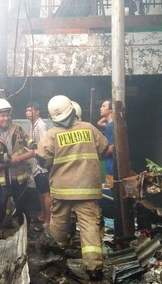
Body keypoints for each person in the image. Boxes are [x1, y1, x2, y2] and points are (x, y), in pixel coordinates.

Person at [36, 95, 110, 281]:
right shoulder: (89, 128)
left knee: (59, 227)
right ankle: (94, 269)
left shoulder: (52, 133)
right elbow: (105, 150)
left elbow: (42, 158)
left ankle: (52, 260)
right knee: (89, 228)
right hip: (87, 190)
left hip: (62, 191)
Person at [0, 98, 36, 243]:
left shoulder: (16, 128)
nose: (5, 118)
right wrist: (2, 157)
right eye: (2, 115)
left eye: (7, 115)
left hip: (19, 177)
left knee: (23, 207)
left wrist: (32, 144)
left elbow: (26, 138)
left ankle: (27, 234)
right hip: (1, 181)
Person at [25, 101, 51, 229]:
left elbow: (45, 144)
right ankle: (42, 214)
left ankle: (48, 220)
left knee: (46, 193)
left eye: (30, 110)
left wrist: (34, 153)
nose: (27, 113)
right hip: (35, 165)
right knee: (41, 192)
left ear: (37, 112)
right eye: (26, 111)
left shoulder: (41, 125)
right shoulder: (32, 125)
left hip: (41, 165)